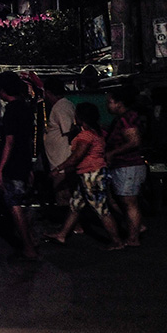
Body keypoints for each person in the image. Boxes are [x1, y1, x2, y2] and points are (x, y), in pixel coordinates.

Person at [44, 102, 123, 249]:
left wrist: (58, 168)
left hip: (91, 174)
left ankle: (117, 241)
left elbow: (76, 158)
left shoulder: (85, 136)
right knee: (75, 205)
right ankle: (62, 235)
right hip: (92, 173)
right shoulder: (97, 133)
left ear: (80, 117)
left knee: (101, 210)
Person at [0, 71, 40, 262]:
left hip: (13, 163)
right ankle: (30, 240)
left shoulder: (11, 110)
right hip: (24, 161)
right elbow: (29, 139)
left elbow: (9, 142)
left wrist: (0, 169)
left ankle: (28, 247)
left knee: (15, 205)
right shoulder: (26, 108)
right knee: (23, 203)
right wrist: (30, 165)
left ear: (3, 90)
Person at [105, 85, 146, 247]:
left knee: (129, 203)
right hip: (124, 165)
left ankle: (133, 238)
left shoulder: (126, 118)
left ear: (118, 103)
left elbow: (134, 141)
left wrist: (112, 152)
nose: (108, 105)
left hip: (128, 165)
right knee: (121, 200)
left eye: (110, 102)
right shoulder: (123, 118)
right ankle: (136, 229)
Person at [42, 76, 76, 209]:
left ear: (48, 92)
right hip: (59, 160)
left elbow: (68, 131)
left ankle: (72, 226)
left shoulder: (61, 107)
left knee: (63, 193)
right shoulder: (62, 105)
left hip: (62, 160)